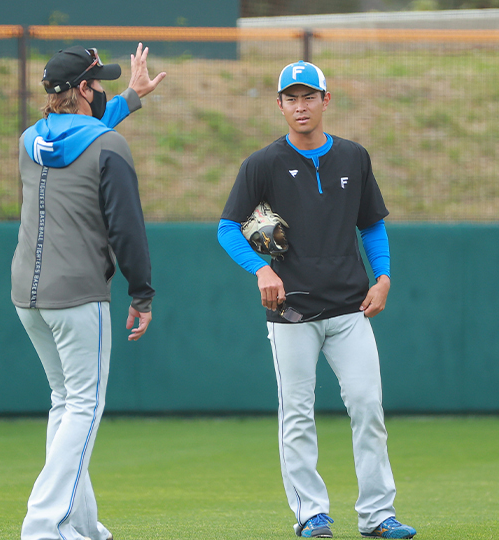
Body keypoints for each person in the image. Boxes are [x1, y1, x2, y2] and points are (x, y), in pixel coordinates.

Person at [217, 61, 417, 539]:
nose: (300, 106)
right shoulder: (262, 164)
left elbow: (370, 223)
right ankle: (311, 513)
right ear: (280, 104)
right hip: (291, 312)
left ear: (326, 101)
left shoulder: (353, 158)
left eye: (309, 97)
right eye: (291, 98)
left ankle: (377, 515)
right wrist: (261, 268)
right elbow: (228, 228)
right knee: (297, 414)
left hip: (350, 307)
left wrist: (383, 276)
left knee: (368, 406)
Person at [11, 43, 165, 540]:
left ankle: (82, 526)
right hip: (78, 297)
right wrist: (141, 292)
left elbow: (77, 138)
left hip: (27, 297)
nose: (105, 90)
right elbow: (126, 229)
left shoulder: (29, 139)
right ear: (81, 89)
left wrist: (130, 100)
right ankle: (42, 525)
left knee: (65, 401)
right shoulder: (108, 147)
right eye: (99, 83)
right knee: (83, 405)